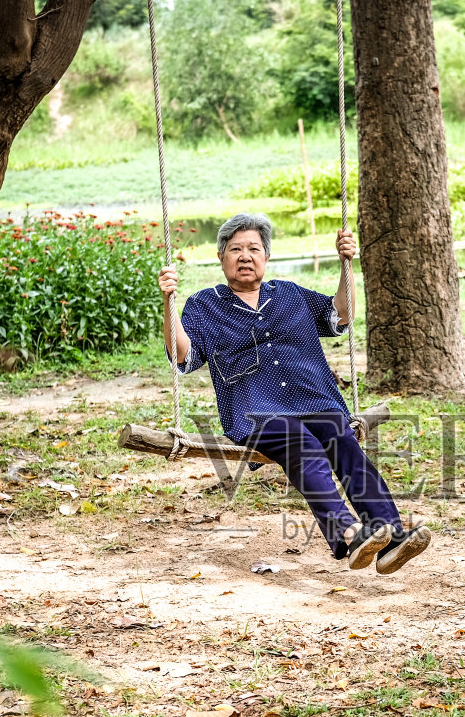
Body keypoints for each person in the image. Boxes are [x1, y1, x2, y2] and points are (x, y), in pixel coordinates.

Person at [158, 212, 431, 574]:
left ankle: (391, 538)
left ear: (266, 257)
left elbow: (341, 315)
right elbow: (182, 355)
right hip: (256, 411)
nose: (245, 256)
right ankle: (350, 533)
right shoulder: (204, 305)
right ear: (222, 258)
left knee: (343, 440)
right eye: (235, 249)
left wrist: (345, 264)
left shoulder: (289, 294)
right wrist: (168, 302)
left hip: (314, 400)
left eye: (253, 248)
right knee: (299, 441)